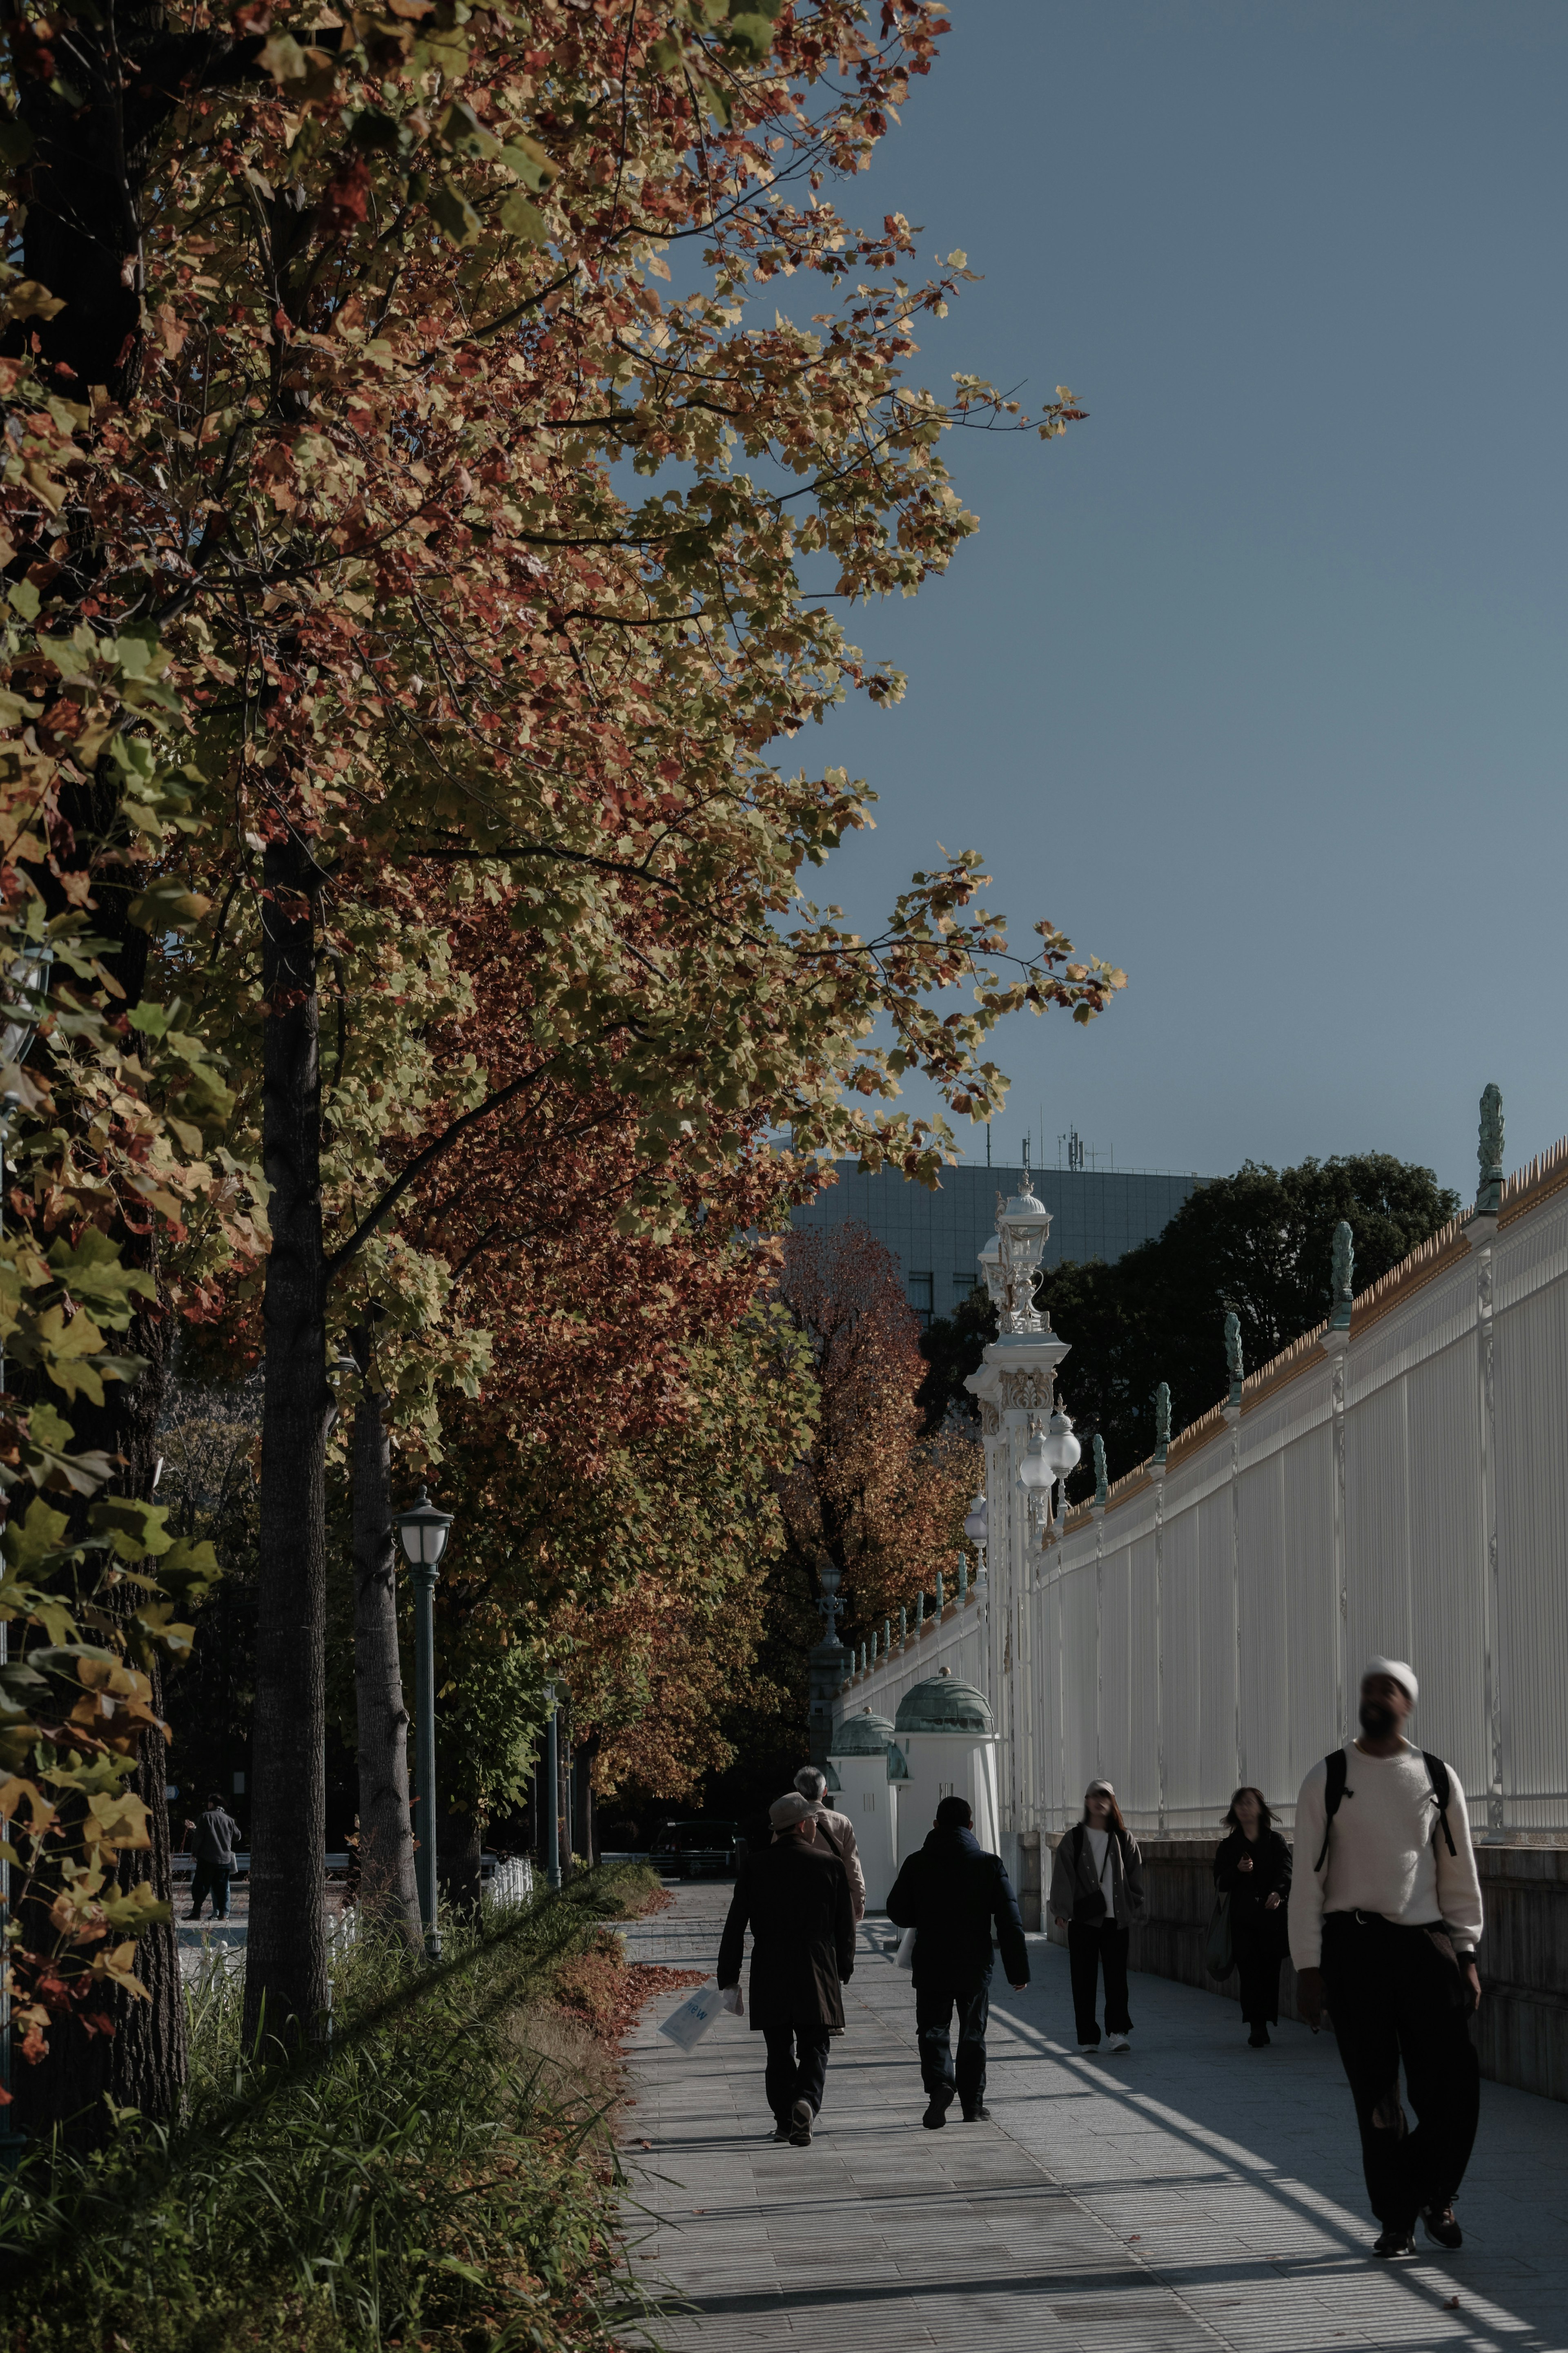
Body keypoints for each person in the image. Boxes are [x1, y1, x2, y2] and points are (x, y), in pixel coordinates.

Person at [1290, 1658, 1484, 2261]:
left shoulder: (1435, 1776)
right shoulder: (1328, 1777)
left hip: (1427, 1948)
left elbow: (1458, 1872)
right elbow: (1307, 1882)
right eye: (1371, 1686)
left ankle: (1435, 2193)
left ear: (1409, 1703)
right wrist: (1308, 1968)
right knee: (1378, 2099)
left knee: (1455, 2090)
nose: (1377, 1695)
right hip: (1354, 1950)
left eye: (1390, 1688)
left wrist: (1468, 1951)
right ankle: (1397, 2220)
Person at [717, 1791, 855, 2146]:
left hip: (770, 1965)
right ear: (803, 1824)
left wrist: (728, 1978)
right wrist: (844, 1967)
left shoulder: (755, 1866)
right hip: (817, 1965)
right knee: (816, 2044)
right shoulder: (830, 1865)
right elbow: (845, 1926)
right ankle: (806, 2101)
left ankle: (784, 2120)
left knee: (778, 2049)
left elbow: (735, 1926)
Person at [886, 1794, 1029, 2128]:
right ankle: (973, 2106)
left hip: (932, 1961)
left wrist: (924, 1911)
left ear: (935, 1825)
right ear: (971, 1825)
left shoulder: (916, 1862)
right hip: (974, 1963)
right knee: (973, 2033)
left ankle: (941, 2085)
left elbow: (898, 1910)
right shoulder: (989, 1864)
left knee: (933, 2028)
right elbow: (1010, 1921)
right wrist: (1018, 1971)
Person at [1049, 1779, 1146, 2053]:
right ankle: (1088, 2037)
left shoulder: (1123, 1837)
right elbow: (1063, 1875)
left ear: (1112, 1801)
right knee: (1083, 1979)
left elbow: (1135, 1873)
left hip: (1116, 1920)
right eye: (1094, 1796)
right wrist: (1062, 1911)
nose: (1099, 1800)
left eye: (1105, 1796)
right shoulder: (1075, 1837)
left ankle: (1118, 2032)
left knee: (1117, 1979)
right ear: (1087, 1800)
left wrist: (1132, 1903)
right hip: (1084, 1919)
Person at [1214, 1786, 1292, 2047]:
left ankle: (1267, 2019)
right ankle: (1257, 2027)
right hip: (1243, 1921)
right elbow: (1220, 1882)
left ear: (1261, 1808)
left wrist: (1279, 1894)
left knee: (1270, 1972)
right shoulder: (1229, 1847)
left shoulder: (1275, 1841)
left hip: (1271, 1920)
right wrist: (1237, 1870)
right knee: (1249, 1973)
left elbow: (1286, 1872)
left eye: (1250, 1803)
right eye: (1240, 1804)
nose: (1245, 1808)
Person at [791, 1764, 867, 1922]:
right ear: (825, 1792)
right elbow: (852, 1864)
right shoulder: (841, 1822)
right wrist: (859, 1900)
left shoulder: (788, 1823)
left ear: (798, 1792)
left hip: (797, 1900)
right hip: (832, 1900)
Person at [187, 1792, 242, 1921]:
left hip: (207, 1858)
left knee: (201, 1886)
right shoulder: (229, 1820)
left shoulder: (206, 1817)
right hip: (224, 1860)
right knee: (222, 1888)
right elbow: (238, 1836)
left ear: (212, 1804)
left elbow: (198, 1838)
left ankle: (196, 1913)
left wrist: (195, 1853)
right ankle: (223, 1914)